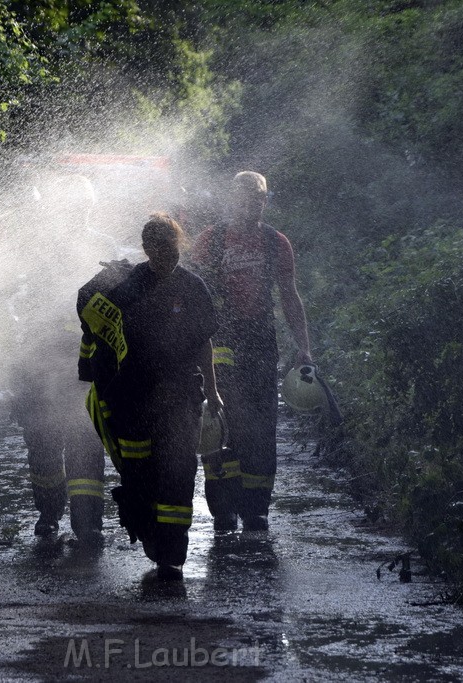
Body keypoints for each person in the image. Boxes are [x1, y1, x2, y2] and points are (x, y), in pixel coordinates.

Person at [77, 214, 222, 581]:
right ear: (146, 249)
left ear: (180, 245)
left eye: (172, 248)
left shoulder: (192, 287)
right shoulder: (128, 285)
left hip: (179, 396)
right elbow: (88, 307)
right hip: (132, 399)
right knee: (139, 473)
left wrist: (214, 391)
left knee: (179, 471)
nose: (166, 256)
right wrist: (107, 278)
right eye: (158, 249)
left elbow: (204, 341)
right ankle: (144, 528)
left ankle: (171, 551)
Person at [191, 171, 312, 532]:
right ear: (232, 200)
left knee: (260, 427)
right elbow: (195, 298)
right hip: (220, 342)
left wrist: (304, 347)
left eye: (258, 197)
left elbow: (289, 296)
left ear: (265, 200)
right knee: (220, 422)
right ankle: (223, 508)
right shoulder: (211, 241)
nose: (251, 203)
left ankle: (256, 509)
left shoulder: (276, 243)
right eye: (244, 197)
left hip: (260, 341)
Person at [8, 174, 117, 543]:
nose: (76, 214)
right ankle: (50, 513)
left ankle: (88, 521)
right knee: (42, 440)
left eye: (82, 207)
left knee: (86, 439)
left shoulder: (102, 249)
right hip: (41, 361)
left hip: (85, 363)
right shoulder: (37, 249)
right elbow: (19, 303)